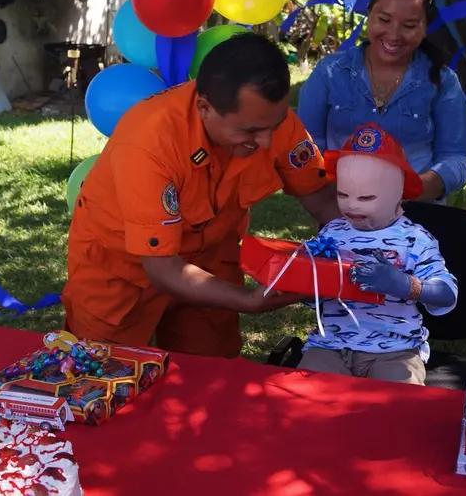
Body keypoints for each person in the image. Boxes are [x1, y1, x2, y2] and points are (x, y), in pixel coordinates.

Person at [62, 33, 341, 358]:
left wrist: (371, 244)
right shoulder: (149, 141)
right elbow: (163, 269)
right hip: (121, 270)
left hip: (210, 261)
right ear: (204, 107)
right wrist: (250, 301)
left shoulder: (270, 120)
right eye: (249, 132)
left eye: (275, 125)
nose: (266, 142)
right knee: (100, 375)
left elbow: (321, 198)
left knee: (208, 377)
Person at [298, 124, 458, 385]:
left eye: (366, 197)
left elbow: (447, 293)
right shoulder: (331, 233)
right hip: (330, 346)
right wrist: (304, 282)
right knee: (308, 396)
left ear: (399, 194)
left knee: (396, 406)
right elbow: (310, 295)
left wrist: (407, 285)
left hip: (395, 351)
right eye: (343, 194)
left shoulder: (415, 240)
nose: (351, 205)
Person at [296, 0, 466, 203]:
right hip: (341, 215)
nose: (394, 34)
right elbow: (306, 146)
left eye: (409, 25)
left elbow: (456, 158)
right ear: (369, 14)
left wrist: (411, 190)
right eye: (384, 20)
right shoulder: (331, 73)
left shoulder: (443, 82)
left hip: (416, 218)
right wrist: (336, 201)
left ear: (425, 28)